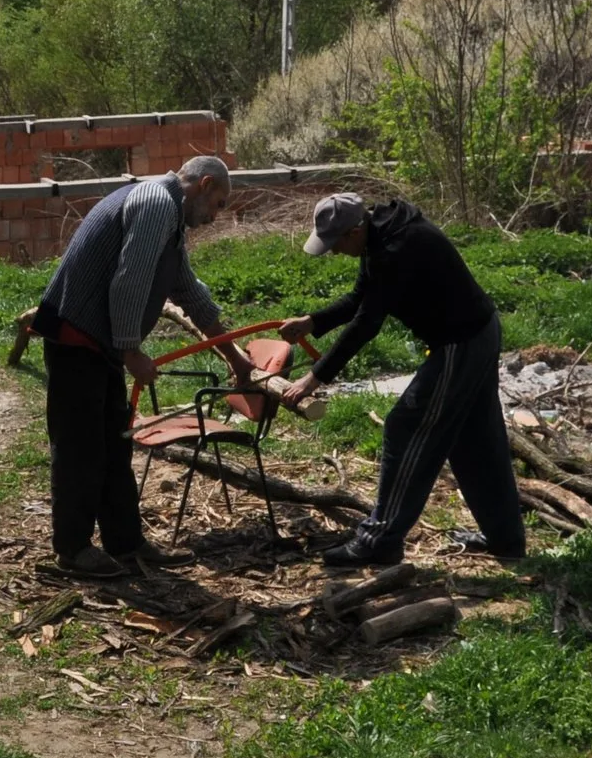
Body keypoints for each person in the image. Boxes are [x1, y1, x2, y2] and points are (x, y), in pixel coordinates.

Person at [30, 155, 255, 578]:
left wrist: (235, 357)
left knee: (114, 447)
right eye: (219, 203)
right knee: (81, 448)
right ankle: (73, 550)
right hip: (77, 340)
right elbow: (129, 280)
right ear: (205, 185)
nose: (216, 215)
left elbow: (190, 292)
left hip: (100, 345)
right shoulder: (156, 203)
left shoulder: (169, 219)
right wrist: (131, 351)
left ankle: (126, 543)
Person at [276, 192, 527, 568]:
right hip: (475, 333)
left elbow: (367, 323)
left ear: (354, 230)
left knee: (405, 427)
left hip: (461, 341)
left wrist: (314, 378)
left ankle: (380, 540)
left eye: (336, 243)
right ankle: (506, 540)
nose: (334, 252)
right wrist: (312, 322)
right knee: (475, 438)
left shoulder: (396, 248)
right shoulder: (379, 234)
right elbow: (361, 298)